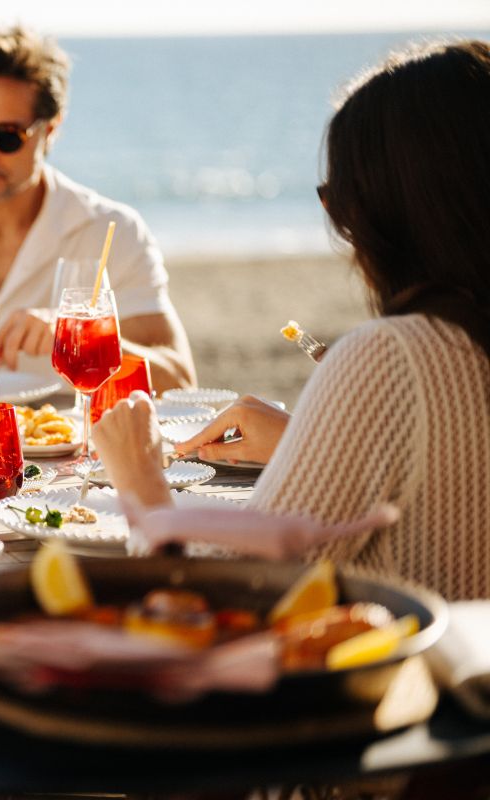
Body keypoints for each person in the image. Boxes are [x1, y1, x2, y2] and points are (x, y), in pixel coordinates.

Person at [94, 40, 490, 601]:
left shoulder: (392, 356)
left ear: (391, 215)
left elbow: (220, 598)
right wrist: (309, 445)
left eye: (339, 203)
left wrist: (139, 485)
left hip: (412, 678)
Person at [0, 25, 195, 392]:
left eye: (6, 136)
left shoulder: (114, 231)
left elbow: (180, 380)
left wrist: (79, 336)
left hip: (73, 447)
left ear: (51, 129)